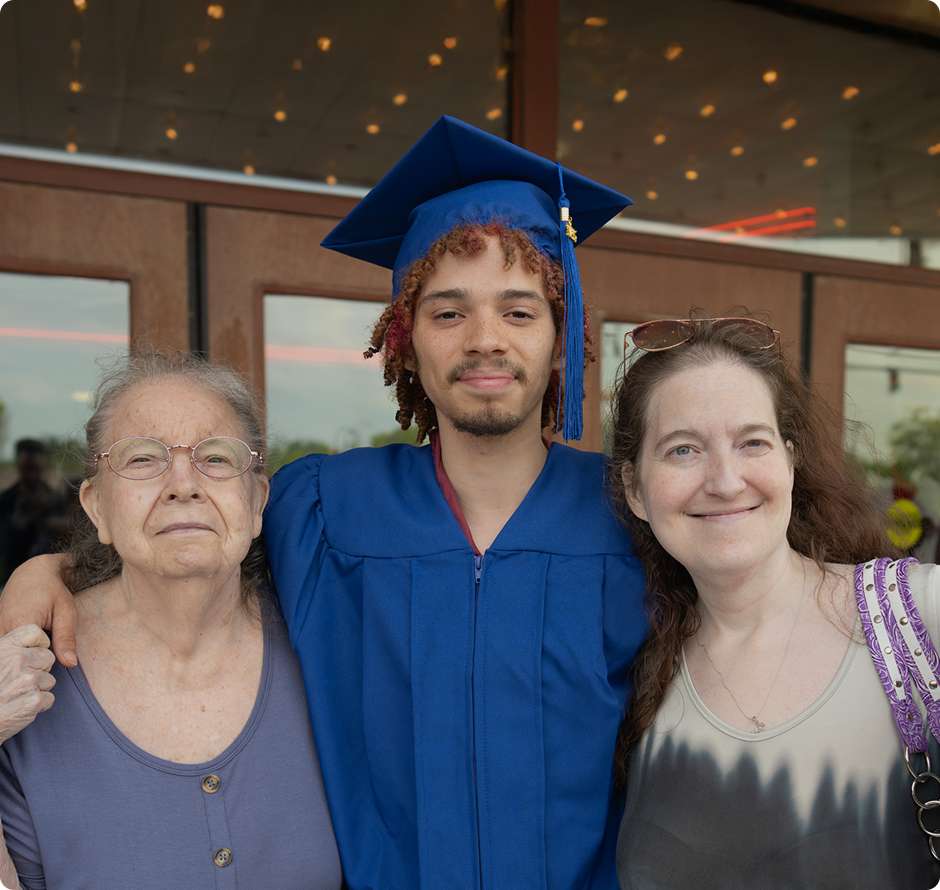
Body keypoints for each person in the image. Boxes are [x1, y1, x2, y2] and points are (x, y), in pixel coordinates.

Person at [0, 117, 648, 889]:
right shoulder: (326, 509)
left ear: (558, 331)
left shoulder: (634, 516)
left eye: (518, 310)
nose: (485, 339)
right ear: (405, 339)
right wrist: (46, 572)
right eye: (447, 312)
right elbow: (183, 535)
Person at [607, 316, 940, 888]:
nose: (725, 480)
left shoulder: (916, 615)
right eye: (683, 450)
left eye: (751, 443)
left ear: (788, 461)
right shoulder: (631, 672)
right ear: (635, 489)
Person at [0, 354, 341, 889]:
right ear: (96, 507)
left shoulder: (324, 645)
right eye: (141, 459)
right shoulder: (20, 681)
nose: (184, 483)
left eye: (218, 458)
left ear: (257, 502)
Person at [0, 439, 68, 586]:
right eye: (28, 468)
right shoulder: (6, 501)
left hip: (49, 581)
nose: (31, 473)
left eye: (34, 468)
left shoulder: (56, 500)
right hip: (12, 580)